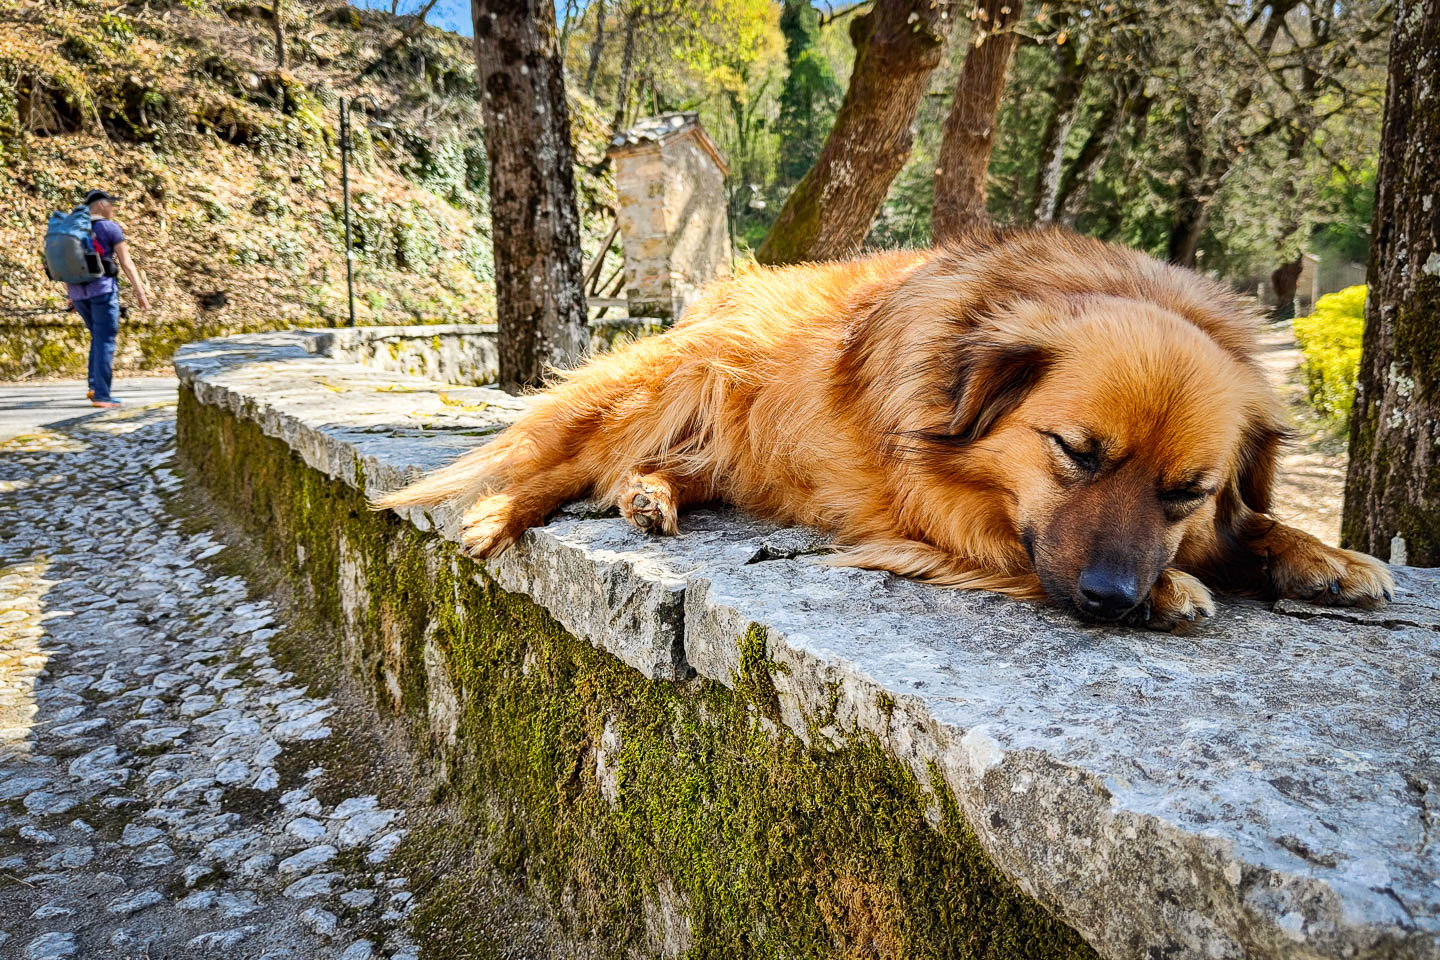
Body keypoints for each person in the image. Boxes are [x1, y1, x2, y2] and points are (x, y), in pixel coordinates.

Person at [62, 190, 151, 408]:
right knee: (105, 339)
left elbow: (64, 263)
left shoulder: (73, 228)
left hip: (78, 293)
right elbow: (126, 263)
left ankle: (94, 387)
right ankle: (102, 395)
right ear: (101, 204)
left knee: (97, 337)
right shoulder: (110, 228)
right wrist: (140, 292)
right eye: (111, 204)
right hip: (103, 291)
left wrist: (70, 294)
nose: (113, 208)